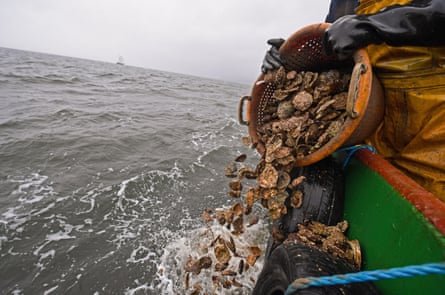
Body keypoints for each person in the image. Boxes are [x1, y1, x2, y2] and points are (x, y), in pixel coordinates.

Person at [262, 0, 445, 202]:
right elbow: (331, 53)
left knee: (426, 209)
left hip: (436, 119)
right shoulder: (343, 2)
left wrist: (373, 25)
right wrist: (287, 61)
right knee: (369, 201)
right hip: (372, 119)